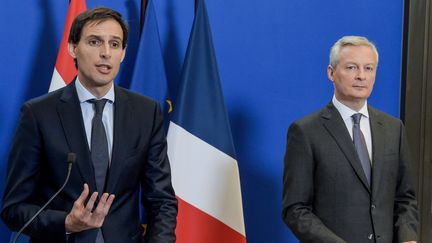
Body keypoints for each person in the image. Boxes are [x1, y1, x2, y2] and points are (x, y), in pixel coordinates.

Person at [1, 7, 177, 243]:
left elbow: (162, 200)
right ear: (73, 48)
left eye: (115, 44)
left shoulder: (146, 112)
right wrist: (66, 222)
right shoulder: (38, 114)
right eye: (95, 42)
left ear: (124, 52)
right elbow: (14, 209)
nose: (106, 53)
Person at [282, 36, 419, 243]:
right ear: (331, 73)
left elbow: (405, 198)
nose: (361, 76)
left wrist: (409, 238)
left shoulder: (393, 128)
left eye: (369, 68)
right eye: (352, 67)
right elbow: (295, 209)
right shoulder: (305, 131)